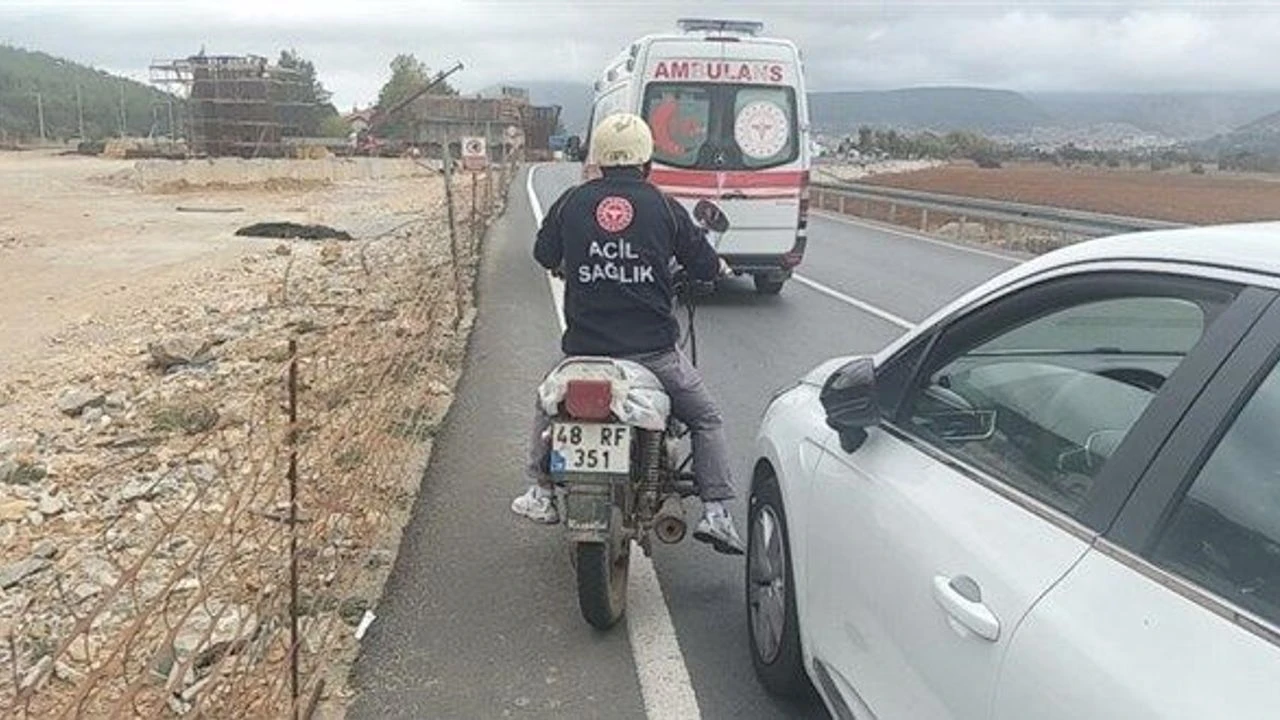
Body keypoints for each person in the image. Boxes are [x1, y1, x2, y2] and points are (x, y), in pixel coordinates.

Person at [511, 112, 745, 556]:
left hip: (585, 350)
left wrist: (573, 263)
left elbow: (544, 254)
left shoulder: (572, 202)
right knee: (706, 418)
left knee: (547, 403)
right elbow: (702, 264)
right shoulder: (664, 207)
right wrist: (713, 269)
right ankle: (716, 512)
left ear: (598, 159)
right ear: (647, 161)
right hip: (652, 352)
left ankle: (540, 491)